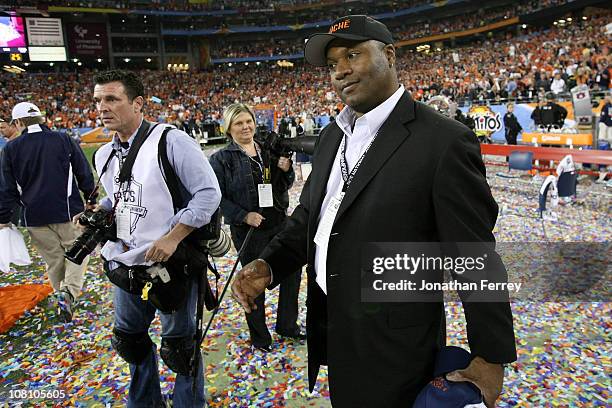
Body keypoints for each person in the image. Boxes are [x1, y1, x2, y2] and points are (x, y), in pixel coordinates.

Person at [230, 15, 516, 407]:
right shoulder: (333, 136)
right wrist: (268, 264)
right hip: (336, 328)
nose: (341, 71)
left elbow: (475, 255)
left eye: (353, 55)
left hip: (398, 345)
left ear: (390, 55)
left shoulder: (443, 141)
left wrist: (491, 355)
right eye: (332, 64)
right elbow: (311, 216)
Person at [90, 70, 220, 407]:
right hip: (124, 263)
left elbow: (208, 194)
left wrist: (174, 237)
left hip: (171, 264)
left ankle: (188, 403)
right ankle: (144, 401)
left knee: (180, 346)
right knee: (129, 340)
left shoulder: (171, 141)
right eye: (98, 101)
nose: (102, 107)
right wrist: (99, 213)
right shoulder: (104, 155)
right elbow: (118, 198)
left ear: (138, 104)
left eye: (111, 99)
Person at [209, 103, 303, 352]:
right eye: (238, 123)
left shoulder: (267, 151)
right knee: (253, 281)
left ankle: (287, 325)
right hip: (250, 230)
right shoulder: (220, 159)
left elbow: (284, 185)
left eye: (248, 121)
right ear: (228, 128)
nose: (245, 127)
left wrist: (286, 170)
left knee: (291, 274)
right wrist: (243, 215)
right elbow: (216, 197)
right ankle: (260, 337)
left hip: (279, 222)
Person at [0, 102, 95, 322]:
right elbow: (84, 172)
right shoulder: (63, 139)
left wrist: (4, 218)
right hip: (67, 211)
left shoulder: (11, 149)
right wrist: (90, 199)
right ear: (41, 119)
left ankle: (61, 293)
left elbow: (7, 189)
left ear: (19, 122)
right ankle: (69, 293)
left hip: (34, 216)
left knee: (53, 260)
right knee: (77, 251)